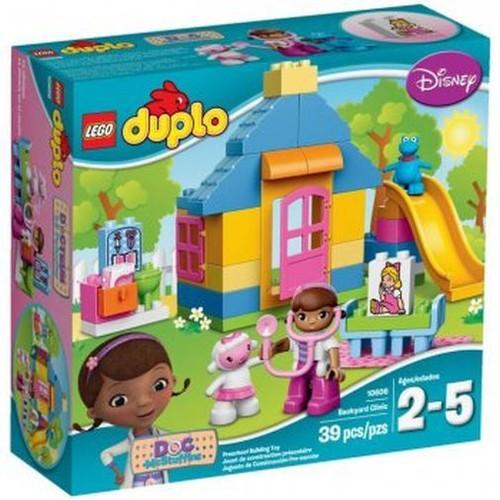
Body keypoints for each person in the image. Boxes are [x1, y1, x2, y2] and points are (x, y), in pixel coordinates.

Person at [73, 332, 190, 489]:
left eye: (159, 385)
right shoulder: (130, 443)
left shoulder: (164, 437)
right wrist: (117, 473)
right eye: (119, 400)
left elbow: (184, 446)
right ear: (95, 413)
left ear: (173, 381)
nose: (143, 402)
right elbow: (105, 454)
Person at [270, 284, 345, 416]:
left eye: (321, 314)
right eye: (302, 317)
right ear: (292, 318)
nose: (311, 321)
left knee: (321, 379)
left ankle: (321, 398)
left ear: (335, 313)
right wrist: (274, 349)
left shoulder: (326, 338)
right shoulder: (297, 337)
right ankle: (296, 397)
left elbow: (333, 350)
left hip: (319, 366)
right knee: (297, 379)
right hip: (301, 364)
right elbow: (287, 344)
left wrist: (335, 367)